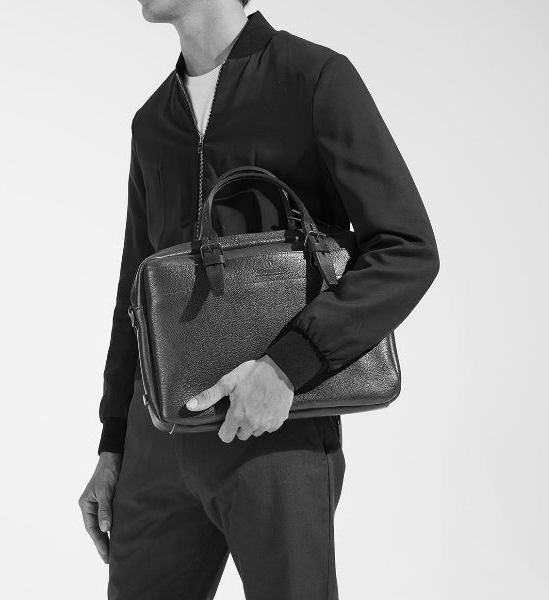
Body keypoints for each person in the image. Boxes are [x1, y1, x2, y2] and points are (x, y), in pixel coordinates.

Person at [79, 2, 440, 599]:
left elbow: (407, 248)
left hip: (278, 432)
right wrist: (113, 443)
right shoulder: (152, 121)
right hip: (157, 445)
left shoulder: (313, 80)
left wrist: (286, 367)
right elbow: (134, 294)